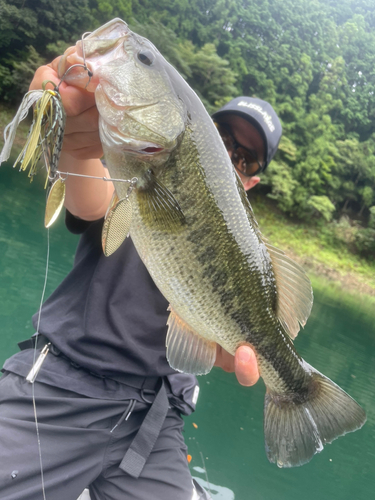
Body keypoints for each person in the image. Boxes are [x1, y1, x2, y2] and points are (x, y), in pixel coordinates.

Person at [0, 51, 282, 500]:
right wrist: (77, 146)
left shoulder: (244, 256)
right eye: (224, 139)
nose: (231, 157)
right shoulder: (137, 171)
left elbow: (221, 338)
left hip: (152, 421)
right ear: (201, 132)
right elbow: (92, 200)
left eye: (245, 159)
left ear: (250, 182)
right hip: (61, 387)